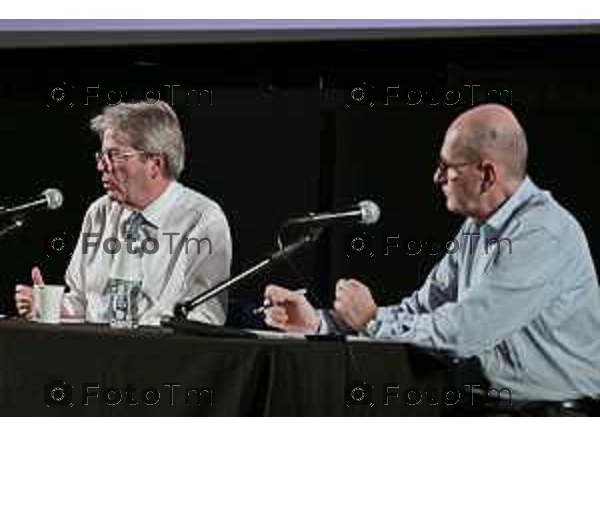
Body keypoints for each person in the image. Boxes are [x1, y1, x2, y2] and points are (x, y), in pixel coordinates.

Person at [264, 104, 600, 415]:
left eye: (447, 167)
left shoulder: (542, 233)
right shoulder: (475, 229)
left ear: (486, 175)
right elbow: (422, 310)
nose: (436, 178)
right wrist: (322, 324)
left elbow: (462, 333)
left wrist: (370, 321)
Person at [15, 101, 231, 326]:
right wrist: (47, 305)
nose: (102, 166)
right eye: (101, 156)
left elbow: (206, 317)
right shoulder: (99, 213)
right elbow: (82, 301)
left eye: (114, 156)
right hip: (96, 353)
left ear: (155, 163)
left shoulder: (202, 219)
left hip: (162, 355)